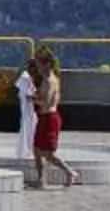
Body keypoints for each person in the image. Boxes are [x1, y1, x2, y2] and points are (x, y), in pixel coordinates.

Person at [27, 51, 79, 189]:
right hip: (44, 118)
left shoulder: (50, 81)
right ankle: (41, 180)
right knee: (37, 150)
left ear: (47, 64)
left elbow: (47, 103)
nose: (37, 67)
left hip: (49, 118)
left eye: (39, 64)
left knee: (47, 153)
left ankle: (69, 172)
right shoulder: (46, 79)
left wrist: (32, 99)